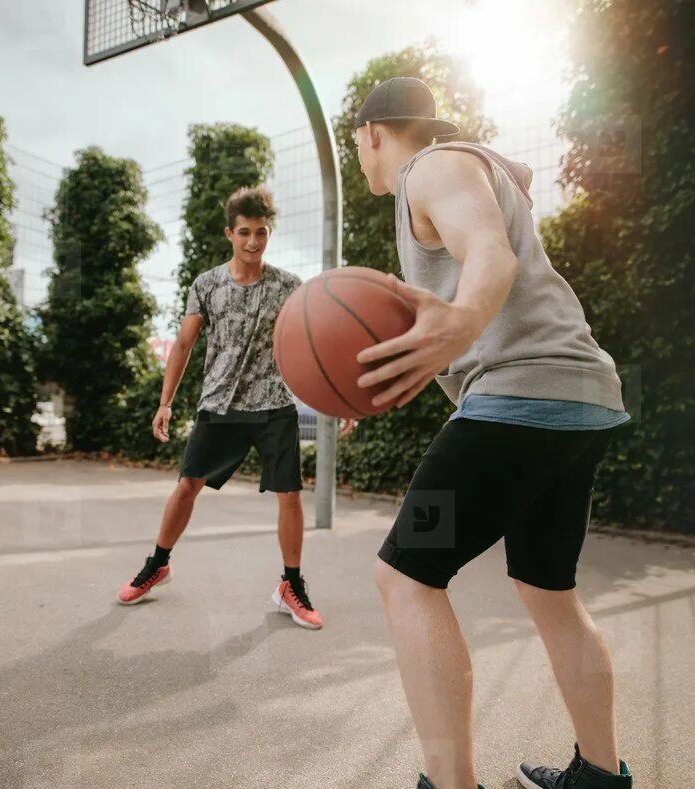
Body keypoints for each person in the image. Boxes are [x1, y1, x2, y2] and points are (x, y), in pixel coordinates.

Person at [351, 77, 634, 789]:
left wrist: (465, 317)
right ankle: (599, 776)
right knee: (548, 588)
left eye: (357, 142)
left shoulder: (432, 168)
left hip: (519, 400)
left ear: (373, 133)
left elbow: (491, 255)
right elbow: (493, 226)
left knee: (406, 574)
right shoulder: (466, 166)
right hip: (580, 402)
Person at [115, 185, 355, 630]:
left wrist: (338, 397)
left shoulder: (287, 286)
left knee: (289, 494)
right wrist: (164, 403)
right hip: (220, 403)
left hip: (272, 403)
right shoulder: (207, 284)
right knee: (188, 486)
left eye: (261, 232)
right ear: (230, 233)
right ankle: (158, 564)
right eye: (244, 232)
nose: (253, 242)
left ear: (269, 233)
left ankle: (291, 585)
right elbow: (184, 344)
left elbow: (316, 342)